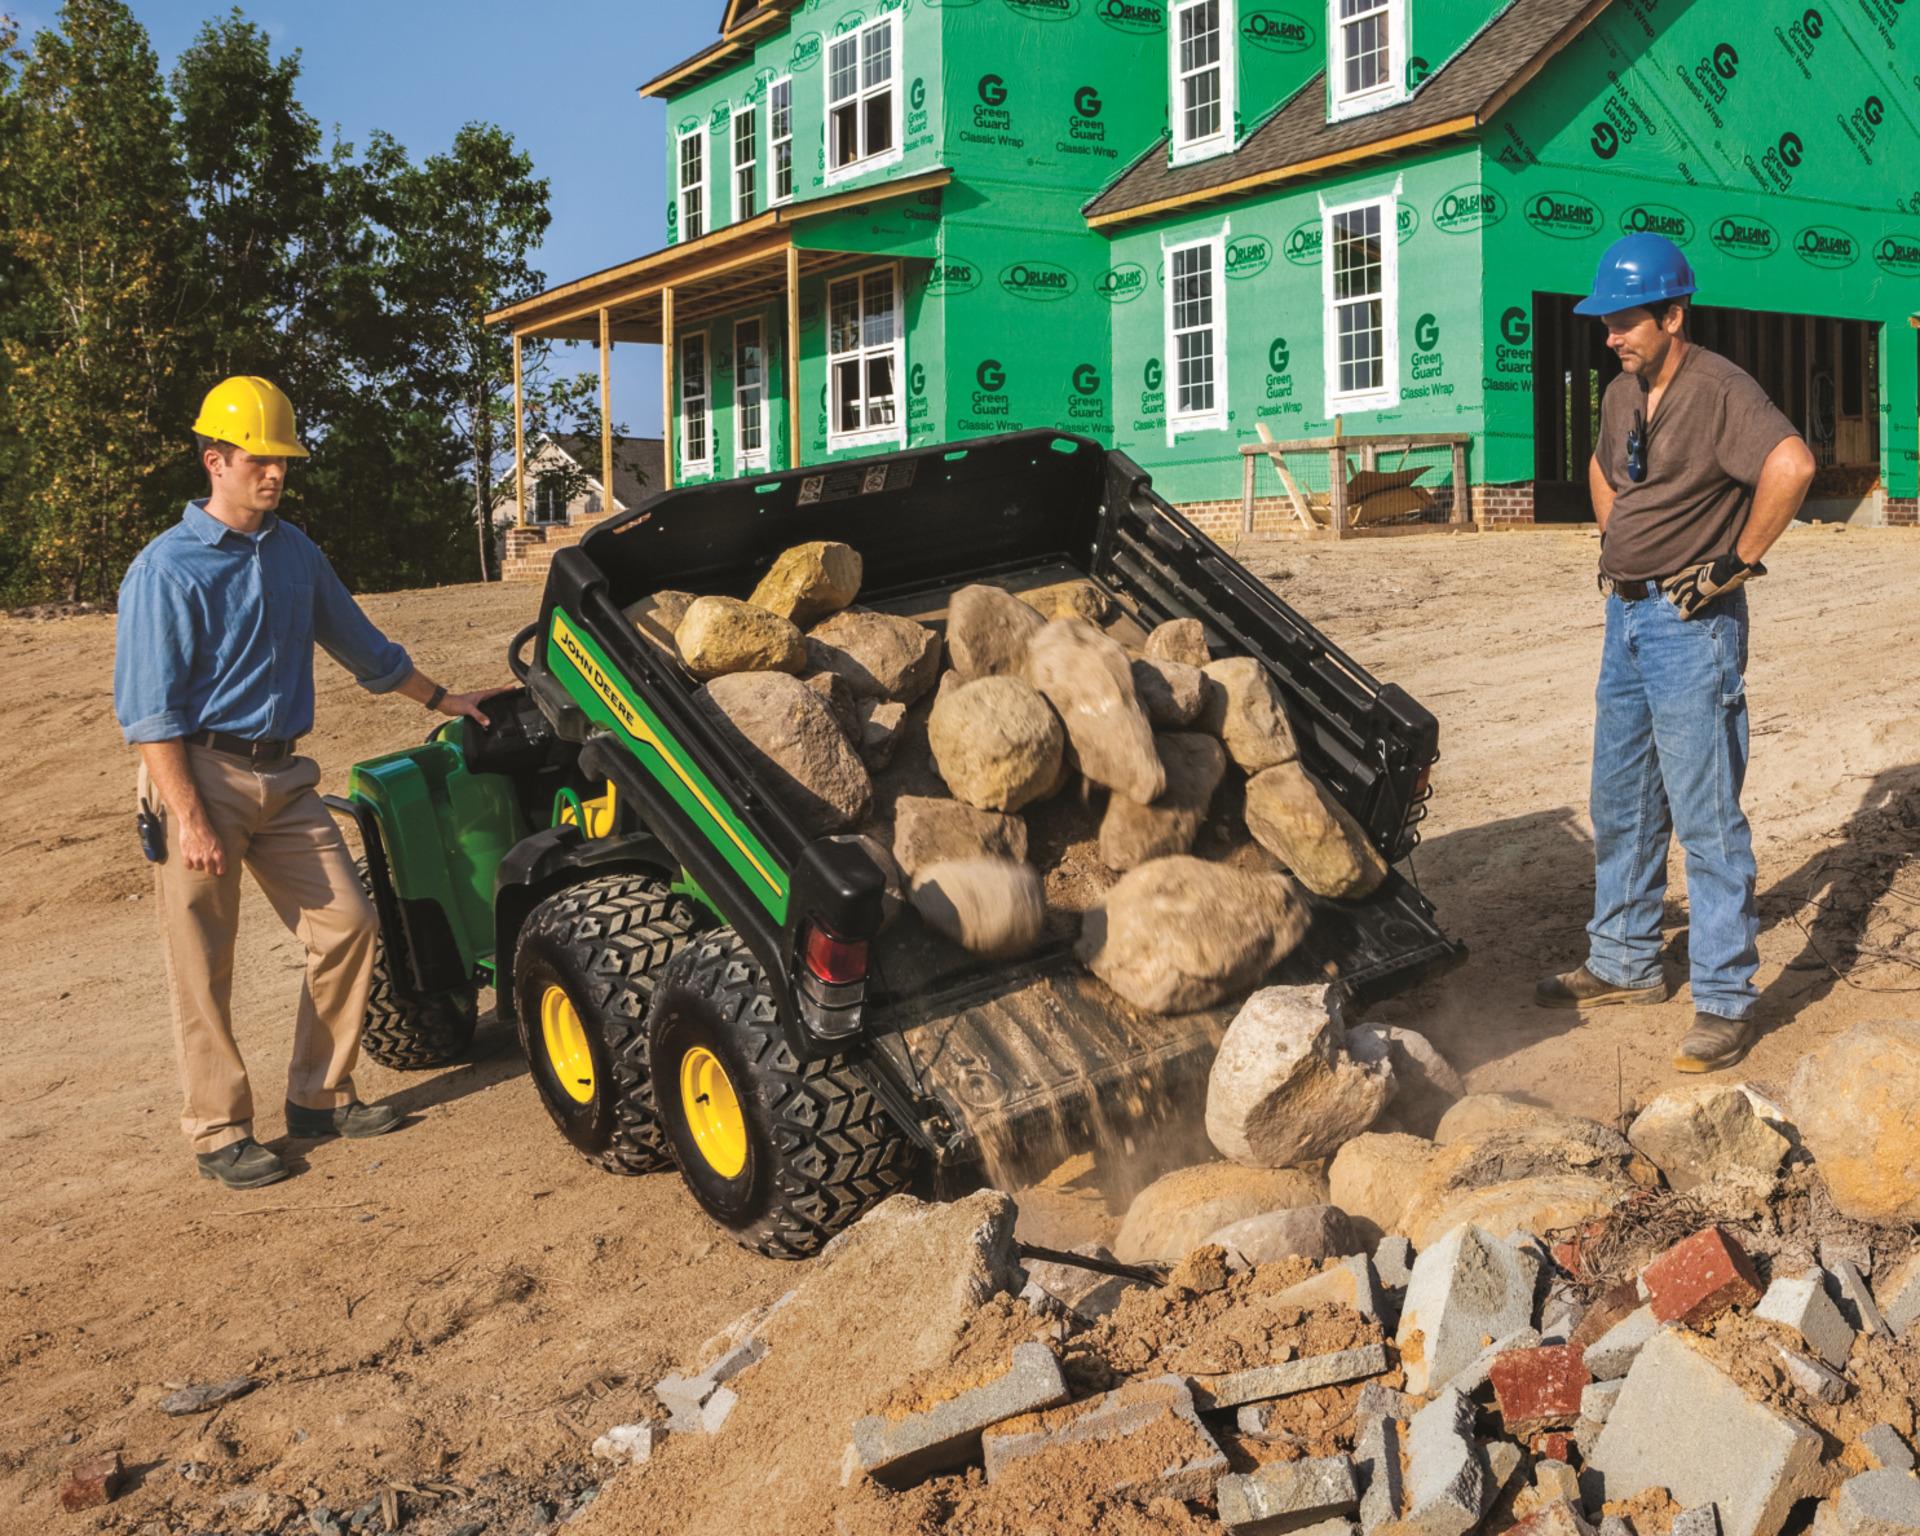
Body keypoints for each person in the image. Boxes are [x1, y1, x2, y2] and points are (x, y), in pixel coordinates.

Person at [115, 376, 505, 1189]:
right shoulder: (165, 570)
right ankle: (219, 1129)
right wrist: (186, 816)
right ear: (214, 460)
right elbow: (149, 716)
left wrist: (443, 698)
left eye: (284, 460)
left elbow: (364, 648)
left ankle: (318, 1096)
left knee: (349, 924)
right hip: (199, 776)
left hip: (283, 776)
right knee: (202, 962)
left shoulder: (295, 552)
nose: (277, 474)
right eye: (261, 459)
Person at [1535, 234, 1815, 1073]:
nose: (1611, 336)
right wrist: (1615, 537)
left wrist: (1736, 562)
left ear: (1672, 314)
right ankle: (1623, 960)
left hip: (1692, 627)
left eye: (1626, 322)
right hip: (1625, 620)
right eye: (1605, 322)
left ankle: (1726, 1000)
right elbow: (1601, 470)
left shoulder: (1722, 389)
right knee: (1620, 798)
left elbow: (1794, 466)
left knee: (1706, 816)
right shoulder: (1623, 392)